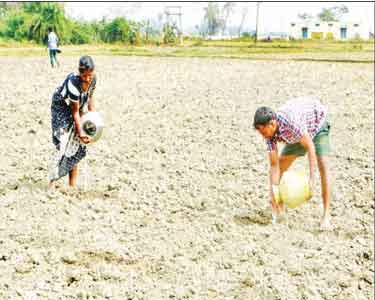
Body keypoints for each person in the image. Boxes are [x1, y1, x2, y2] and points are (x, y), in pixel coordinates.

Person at [253, 97, 331, 229]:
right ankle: (279, 209)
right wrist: (274, 193)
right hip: (297, 135)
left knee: (323, 165)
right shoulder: (268, 135)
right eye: (260, 132)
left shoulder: (291, 123)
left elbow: (310, 146)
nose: (263, 136)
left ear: (272, 124)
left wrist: (312, 180)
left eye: (264, 132)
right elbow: (274, 165)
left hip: (317, 125)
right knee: (281, 164)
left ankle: (326, 215)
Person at [49, 55, 96, 187]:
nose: (87, 79)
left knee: (75, 145)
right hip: (61, 108)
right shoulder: (73, 83)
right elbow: (74, 111)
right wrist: (80, 131)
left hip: (78, 106)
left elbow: (90, 98)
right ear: (79, 72)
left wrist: (93, 122)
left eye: (90, 75)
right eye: (84, 76)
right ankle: (51, 183)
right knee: (63, 143)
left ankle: (72, 185)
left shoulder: (93, 79)